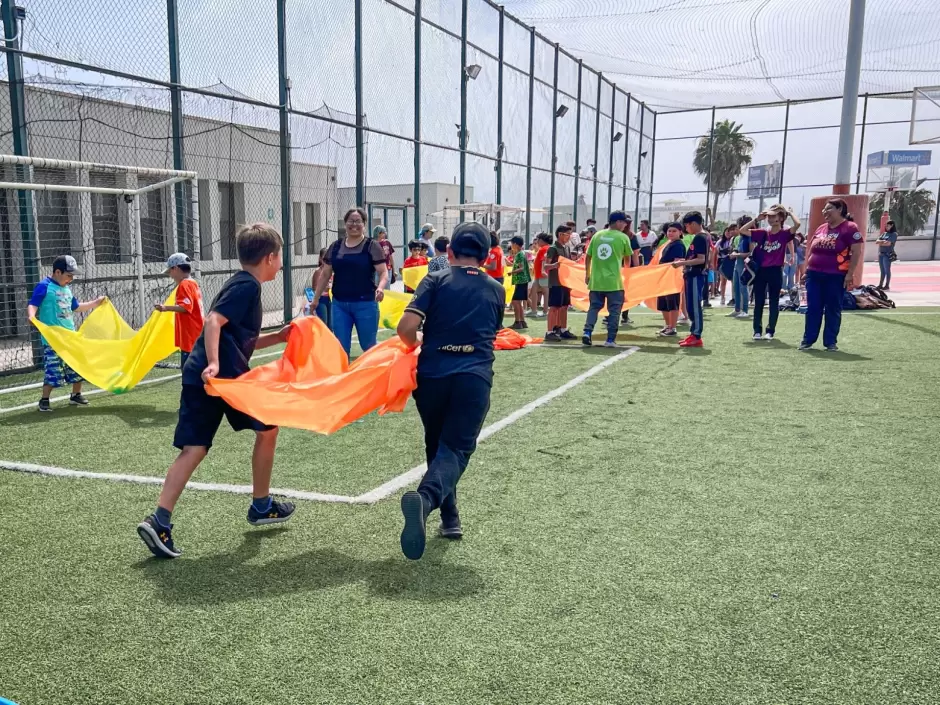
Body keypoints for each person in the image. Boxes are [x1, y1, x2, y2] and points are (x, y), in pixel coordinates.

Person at [136, 224, 294, 559]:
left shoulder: (242, 283)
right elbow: (213, 322)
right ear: (270, 257)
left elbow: (236, 338)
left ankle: (159, 520)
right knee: (268, 429)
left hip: (205, 377)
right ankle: (261, 505)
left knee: (195, 448)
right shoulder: (247, 286)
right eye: (280, 256)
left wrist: (277, 337)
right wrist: (214, 364)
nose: (280, 262)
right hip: (221, 380)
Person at [396, 221, 504, 560]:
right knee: (456, 449)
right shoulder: (496, 288)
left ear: (450, 252)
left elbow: (406, 327)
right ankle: (428, 500)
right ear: (486, 257)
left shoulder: (435, 278)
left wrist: (418, 343)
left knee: (437, 443)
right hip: (473, 376)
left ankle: (450, 517)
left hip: (433, 375)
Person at [26, 254, 106, 412]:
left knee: (77, 366)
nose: (71, 279)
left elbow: (76, 307)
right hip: (53, 340)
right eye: (69, 275)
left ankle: (76, 394)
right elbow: (33, 304)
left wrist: (96, 303)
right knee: (53, 370)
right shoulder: (44, 286)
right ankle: (44, 400)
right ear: (57, 272)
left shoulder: (67, 290)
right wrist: (31, 315)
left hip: (70, 337)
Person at [311, 207, 388, 357]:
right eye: (351, 221)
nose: (354, 224)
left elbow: (383, 271)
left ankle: (380, 373)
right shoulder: (335, 246)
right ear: (345, 224)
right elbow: (325, 273)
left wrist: (380, 287)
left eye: (358, 221)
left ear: (364, 224)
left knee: (369, 346)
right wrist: (315, 298)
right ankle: (342, 378)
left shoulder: (372, 246)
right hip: (339, 305)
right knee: (340, 348)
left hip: (365, 304)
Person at [800, 198, 863, 352]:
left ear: (840, 209)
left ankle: (830, 342)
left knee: (833, 308)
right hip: (814, 275)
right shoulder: (821, 228)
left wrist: (850, 274)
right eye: (823, 209)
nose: (824, 212)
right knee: (813, 307)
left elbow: (856, 252)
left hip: (836, 276)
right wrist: (807, 270)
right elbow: (812, 250)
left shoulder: (850, 228)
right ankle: (808, 340)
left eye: (828, 209)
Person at [739, 205, 800, 341]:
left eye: (774, 216)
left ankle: (770, 331)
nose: (771, 219)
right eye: (769, 216)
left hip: (776, 271)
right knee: (758, 301)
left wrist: (790, 213)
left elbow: (798, 224)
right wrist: (757, 218)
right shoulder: (762, 232)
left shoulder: (784, 234)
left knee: (774, 302)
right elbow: (743, 230)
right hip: (760, 271)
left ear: (781, 217)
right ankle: (757, 331)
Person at [582, 211, 637, 347]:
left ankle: (587, 332)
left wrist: (587, 274)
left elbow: (588, 256)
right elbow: (628, 259)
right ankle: (610, 340)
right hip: (614, 282)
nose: (625, 225)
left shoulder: (597, 236)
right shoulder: (623, 237)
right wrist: (626, 274)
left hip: (596, 281)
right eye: (624, 222)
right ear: (618, 222)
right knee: (614, 311)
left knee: (593, 308)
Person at [154, 252, 204, 372]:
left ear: (176, 268)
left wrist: (165, 308)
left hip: (190, 339)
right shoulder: (193, 283)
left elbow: (186, 307)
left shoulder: (185, 284)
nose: (171, 276)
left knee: (189, 376)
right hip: (196, 336)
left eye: (170, 272)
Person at [671, 211, 709, 348]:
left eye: (686, 226)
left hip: (695, 275)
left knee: (694, 306)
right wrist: (685, 260)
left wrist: (682, 263)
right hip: (692, 275)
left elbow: (701, 259)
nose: (686, 229)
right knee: (690, 305)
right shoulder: (700, 237)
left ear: (693, 224)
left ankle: (697, 335)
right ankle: (693, 333)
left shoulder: (700, 237)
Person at [543, 224, 576, 341]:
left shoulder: (566, 248)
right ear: (560, 234)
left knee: (564, 307)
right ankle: (550, 331)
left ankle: (562, 329)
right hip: (555, 282)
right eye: (568, 234)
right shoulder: (553, 248)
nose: (569, 237)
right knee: (554, 307)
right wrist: (554, 265)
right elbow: (545, 266)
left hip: (565, 282)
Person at [656, 223, 686, 337]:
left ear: (680, 232)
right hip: (664, 277)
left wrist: (666, 269)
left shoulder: (678, 245)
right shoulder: (669, 244)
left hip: (672, 278)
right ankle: (668, 326)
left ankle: (672, 327)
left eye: (674, 231)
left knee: (672, 303)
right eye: (669, 231)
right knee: (663, 303)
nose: (671, 233)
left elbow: (677, 262)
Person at [728, 214, 753, 319]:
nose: (737, 228)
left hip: (745, 264)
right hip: (737, 264)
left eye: (739, 225)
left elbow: (751, 253)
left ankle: (745, 310)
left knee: (743, 288)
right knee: (736, 287)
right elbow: (739, 250)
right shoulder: (740, 238)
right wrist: (735, 253)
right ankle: (737, 309)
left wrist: (737, 255)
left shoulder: (750, 237)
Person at [508, 236, 531, 329]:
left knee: (515, 301)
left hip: (521, 281)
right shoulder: (521, 254)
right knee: (518, 302)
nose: (511, 246)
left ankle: (518, 322)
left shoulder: (519, 255)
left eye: (512, 244)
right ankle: (522, 321)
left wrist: (511, 272)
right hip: (522, 281)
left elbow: (521, 268)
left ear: (515, 244)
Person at [529, 232, 551, 318]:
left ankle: (545, 311)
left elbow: (543, 260)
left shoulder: (544, 249)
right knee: (534, 291)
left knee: (545, 292)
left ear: (541, 240)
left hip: (542, 274)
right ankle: (534, 310)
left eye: (538, 240)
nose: (537, 242)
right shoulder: (545, 248)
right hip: (540, 274)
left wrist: (542, 270)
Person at [311, 247, 332, 328]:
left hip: (330, 299)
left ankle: (330, 340)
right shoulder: (318, 272)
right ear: (320, 259)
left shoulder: (331, 271)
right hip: (321, 299)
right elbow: (314, 288)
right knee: (324, 323)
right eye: (324, 258)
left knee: (331, 325)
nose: (326, 261)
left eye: (328, 258)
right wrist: (323, 287)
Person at [716, 226, 736, 306]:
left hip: (730, 261)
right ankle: (722, 297)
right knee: (723, 281)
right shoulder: (720, 242)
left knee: (732, 281)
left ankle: (733, 298)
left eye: (729, 231)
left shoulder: (733, 240)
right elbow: (715, 251)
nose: (728, 233)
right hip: (722, 262)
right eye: (726, 231)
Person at [878, 220, 898, 290]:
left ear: (892, 225)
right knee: (882, 270)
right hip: (881, 254)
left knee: (887, 270)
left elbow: (889, 243)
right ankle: (880, 284)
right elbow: (877, 241)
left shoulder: (894, 234)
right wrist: (882, 242)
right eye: (886, 226)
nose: (886, 227)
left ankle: (887, 285)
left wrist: (881, 242)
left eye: (888, 225)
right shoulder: (884, 234)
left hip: (887, 254)